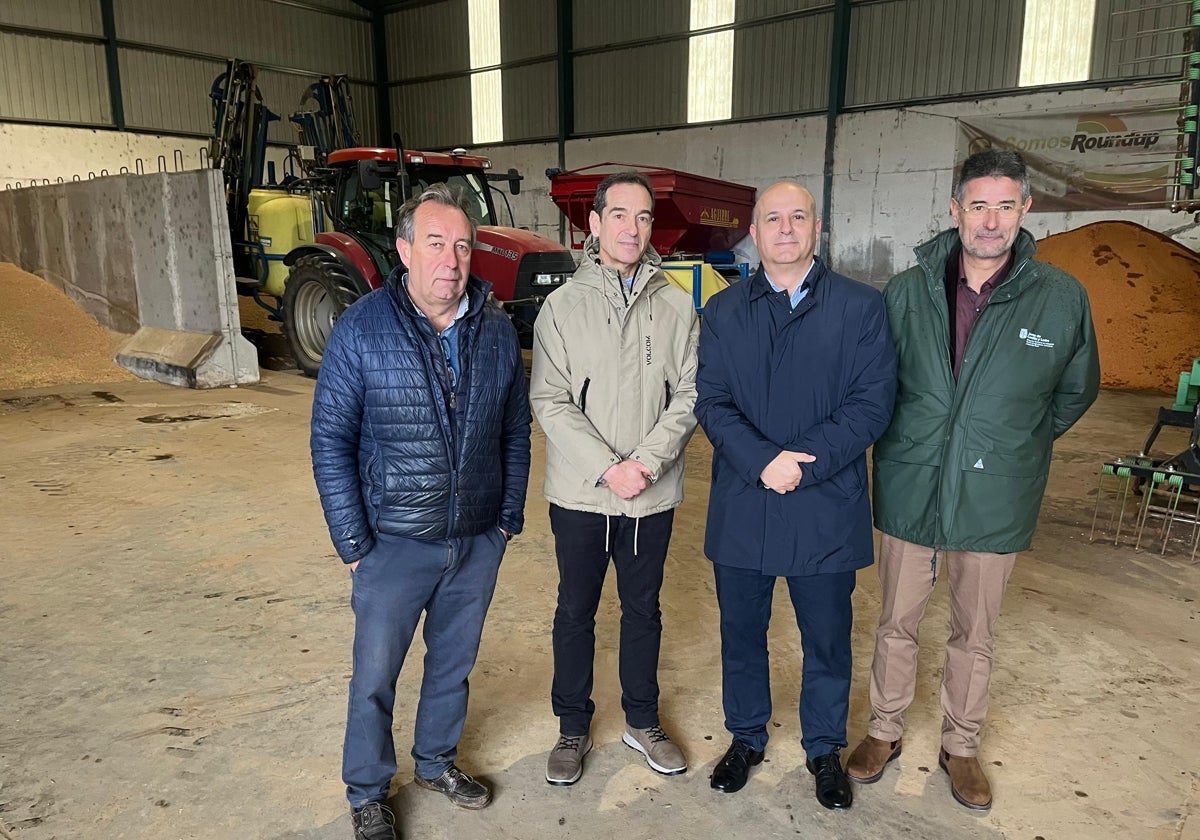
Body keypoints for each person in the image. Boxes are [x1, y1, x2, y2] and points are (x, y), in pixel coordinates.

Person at [845, 149, 1100, 811]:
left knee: (974, 631)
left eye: (1005, 205)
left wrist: (1009, 443)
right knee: (895, 621)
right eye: (978, 205)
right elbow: (876, 383)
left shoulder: (1060, 299)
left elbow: (1075, 392)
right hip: (912, 480)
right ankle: (884, 730)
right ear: (955, 209)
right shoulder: (908, 290)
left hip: (994, 493)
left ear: (1025, 210)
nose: (990, 220)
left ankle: (960, 746)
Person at [310, 183, 532, 840]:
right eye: (436, 243)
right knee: (376, 673)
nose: (452, 258)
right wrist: (354, 543)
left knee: (453, 664)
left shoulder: (493, 330)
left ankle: (435, 762)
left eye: (463, 245)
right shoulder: (362, 329)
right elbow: (331, 439)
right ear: (405, 249)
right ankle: (368, 790)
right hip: (393, 542)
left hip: (474, 538)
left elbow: (515, 430)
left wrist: (505, 519)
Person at [695, 181, 897, 810]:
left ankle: (823, 748)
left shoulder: (861, 308)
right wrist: (762, 461)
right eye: (772, 219)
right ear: (753, 234)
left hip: (823, 505)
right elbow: (712, 399)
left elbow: (872, 404)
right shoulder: (725, 311)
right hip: (746, 501)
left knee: (828, 637)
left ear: (817, 229)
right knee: (742, 631)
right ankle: (746, 737)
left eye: (798, 218)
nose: (785, 229)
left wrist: (800, 467)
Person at [529, 171, 699, 786]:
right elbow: (549, 399)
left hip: (650, 495)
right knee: (575, 609)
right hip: (581, 492)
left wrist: (646, 464)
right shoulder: (562, 306)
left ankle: (642, 720)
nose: (633, 228)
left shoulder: (677, 304)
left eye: (645, 217)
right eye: (619, 215)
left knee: (643, 608)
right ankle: (572, 727)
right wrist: (607, 467)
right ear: (595, 224)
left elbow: (690, 394)